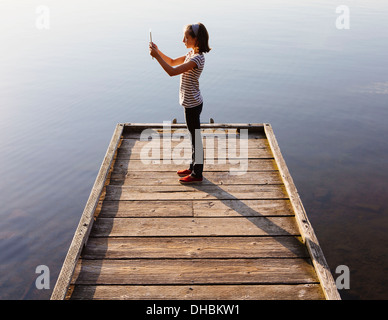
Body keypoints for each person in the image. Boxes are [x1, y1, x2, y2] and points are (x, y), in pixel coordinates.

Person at [149, 23, 211, 183]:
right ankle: (193, 167)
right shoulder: (191, 54)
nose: (183, 40)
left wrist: (156, 57)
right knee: (192, 136)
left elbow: (172, 72)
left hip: (193, 104)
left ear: (195, 39)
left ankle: (197, 174)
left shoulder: (197, 59)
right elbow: (171, 61)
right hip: (190, 102)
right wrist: (158, 51)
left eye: (186, 37)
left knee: (195, 138)